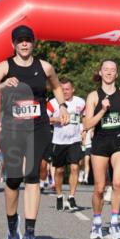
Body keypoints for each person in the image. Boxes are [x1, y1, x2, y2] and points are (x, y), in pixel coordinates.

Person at [0, 25, 68, 239]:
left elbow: (57, 87)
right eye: (20, 41)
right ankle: (11, 225)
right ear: (13, 45)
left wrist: (63, 106)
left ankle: (29, 231)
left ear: (33, 43)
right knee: (14, 179)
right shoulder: (5, 66)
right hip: (12, 128)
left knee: (32, 175)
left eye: (28, 40)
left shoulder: (45, 67)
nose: (24, 44)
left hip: (38, 127)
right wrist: (1, 85)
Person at [83, 60, 120, 239]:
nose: (109, 72)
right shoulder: (93, 96)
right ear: (100, 73)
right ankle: (96, 223)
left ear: (116, 74)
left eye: (113, 70)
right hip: (100, 143)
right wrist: (102, 111)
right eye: (106, 69)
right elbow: (87, 124)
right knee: (100, 188)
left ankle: (114, 223)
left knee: (118, 183)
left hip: (119, 141)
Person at [48, 77, 85, 211]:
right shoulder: (53, 103)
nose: (65, 92)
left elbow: (85, 117)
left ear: (73, 89)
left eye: (67, 89)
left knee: (75, 168)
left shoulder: (80, 102)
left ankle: (71, 196)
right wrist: (57, 119)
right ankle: (59, 196)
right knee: (59, 170)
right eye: (62, 90)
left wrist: (85, 130)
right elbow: (44, 119)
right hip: (59, 141)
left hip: (74, 140)